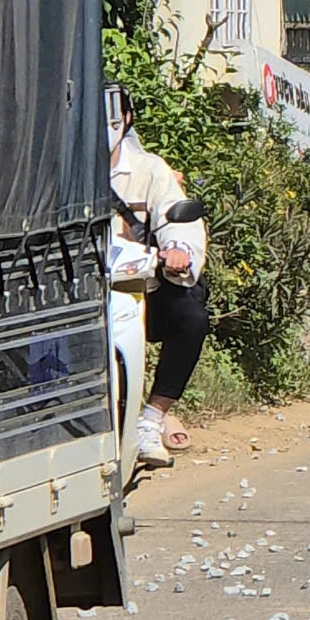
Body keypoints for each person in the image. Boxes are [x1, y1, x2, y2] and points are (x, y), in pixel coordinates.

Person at [107, 89, 209, 468]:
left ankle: (152, 418)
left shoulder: (150, 169)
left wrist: (178, 250)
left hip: (140, 287)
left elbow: (174, 216)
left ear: (127, 120)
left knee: (191, 314)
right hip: (79, 287)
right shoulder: (54, 168)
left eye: (114, 117)